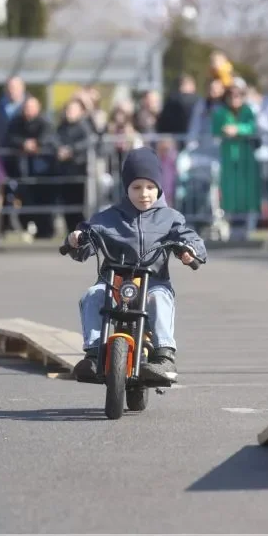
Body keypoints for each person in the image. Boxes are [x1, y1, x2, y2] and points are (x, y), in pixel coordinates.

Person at [64, 147, 207, 383]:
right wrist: (75, 239)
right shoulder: (108, 217)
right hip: (114, 283)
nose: (144, 194)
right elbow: (86, 237)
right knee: (92, 296)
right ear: (126, 188)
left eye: (150, 187)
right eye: (136, 187)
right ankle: (93, 353)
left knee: (160, 298)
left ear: (159, 188)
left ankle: (164, 356)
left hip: (153, 282)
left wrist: (190, 251)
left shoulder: (170, 217)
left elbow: (188, 236)